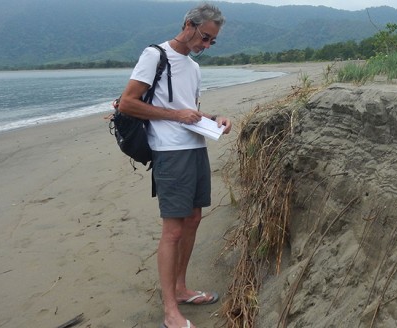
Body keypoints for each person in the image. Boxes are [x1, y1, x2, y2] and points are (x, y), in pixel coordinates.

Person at [117, 3, 231, 328]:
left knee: (193, 219)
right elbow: (128, 102)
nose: (206, 45)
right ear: (188, 24)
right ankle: (170, 310)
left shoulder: (194, 67)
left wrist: (214, 119)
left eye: (212, 42)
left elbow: (188, 109)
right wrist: (175, 116)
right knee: (173, 230)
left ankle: (181, 289)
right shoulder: (155, 55)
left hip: (196, 147)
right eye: (205, 37)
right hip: (169, 151)